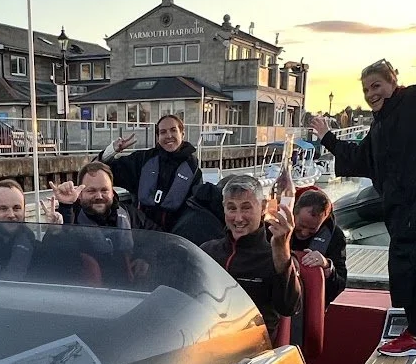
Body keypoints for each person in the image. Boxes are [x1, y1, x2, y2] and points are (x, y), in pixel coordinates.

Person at [309, 0, 416, 358]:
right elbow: (360, 159)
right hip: (405, 213)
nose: (372, 94)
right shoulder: (381, 126)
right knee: (405, 270)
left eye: (376, 86)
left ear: (393, 82)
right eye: (366, 91)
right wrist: (327, 137)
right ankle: (414, 330)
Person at [100, 113, 225, 244]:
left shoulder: (192, 170)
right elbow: (101, 171)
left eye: (173, 130)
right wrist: (112, 150)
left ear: (182, 134)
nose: (169, 136)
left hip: (173, 237)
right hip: (140, 232)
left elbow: (195, 205)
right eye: (163, 132)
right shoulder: (142, 160)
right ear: (157, 137)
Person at [201, 174, 298, 330]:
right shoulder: (207, 251)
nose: (238, 218)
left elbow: (289, 307)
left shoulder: (275, 256)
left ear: (263, 207)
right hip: (208, 338)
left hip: (255, 345)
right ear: (224, 208)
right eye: (232, 208)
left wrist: (282, 254)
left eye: (246, 208)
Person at [53, 159, 146, 284]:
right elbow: (56, 251)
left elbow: (158, 237)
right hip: (88, 296)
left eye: (104, 190)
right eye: (91, 191)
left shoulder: (129, 214)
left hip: (127, 293)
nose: (99, 196)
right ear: (80, 194)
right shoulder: (69, 216)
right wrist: (65, 206)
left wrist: (144, 257)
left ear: (112, 193)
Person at [290, 185, 348, 302]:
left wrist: (326, 266)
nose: (304, 233)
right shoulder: (275, 228)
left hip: (314, 302)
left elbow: (340, 284)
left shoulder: (335, 236)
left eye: (312, 230)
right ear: (293, 213)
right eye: (300, 226)